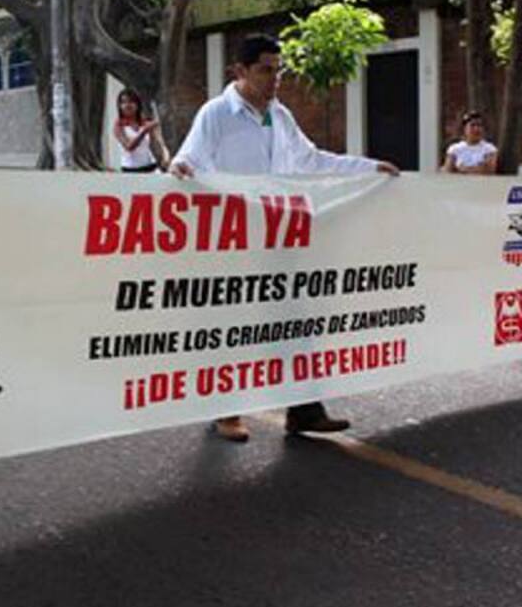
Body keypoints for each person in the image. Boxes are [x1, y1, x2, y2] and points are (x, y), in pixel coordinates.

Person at [170, 34, 400, 443]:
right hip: (234, 239)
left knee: (295, 322)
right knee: (231, 326)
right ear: (239, 71)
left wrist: (367, 168)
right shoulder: (217, 114)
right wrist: (180, 168)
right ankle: (225, 412)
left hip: (280, 236)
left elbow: (311, 160)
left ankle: (304, 410)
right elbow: (188, 158)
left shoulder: (280, 116)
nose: (275, 78)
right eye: (265, 69)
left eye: (279, 69)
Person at [113, 88, 169, 173]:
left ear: (137, 105)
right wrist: (144, 130)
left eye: (131, 102)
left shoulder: (145, 121)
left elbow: (157, 143)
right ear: (119, 106)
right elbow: (129, 147)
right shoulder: (118, 125)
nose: (127, 105)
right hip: (130, 170)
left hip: (151, 167)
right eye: (124, 102)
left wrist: (164, 156)